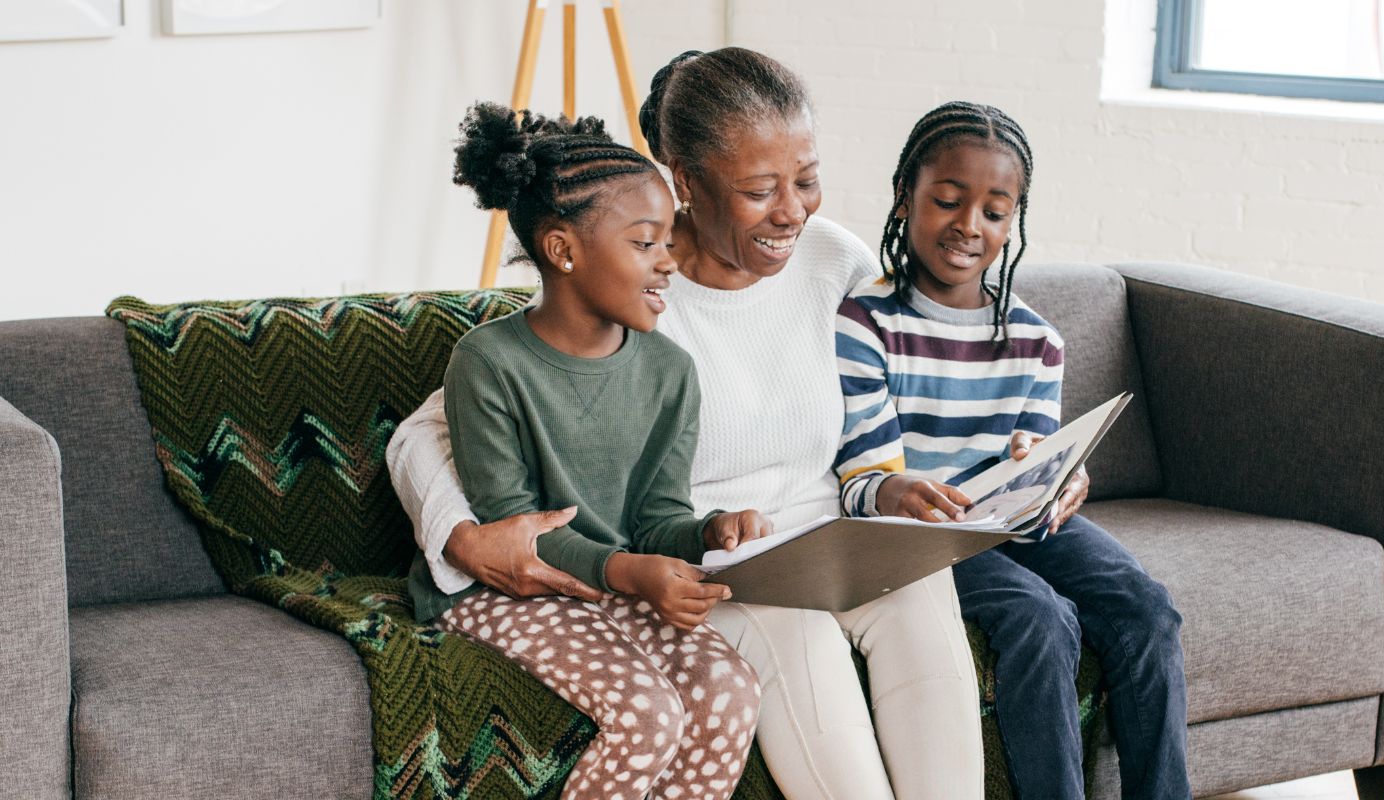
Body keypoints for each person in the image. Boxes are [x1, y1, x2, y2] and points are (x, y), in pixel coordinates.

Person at [387, 49, 984, 800]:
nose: (795, 211)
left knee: (925, 601)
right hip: (730, 567)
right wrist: (464, 537)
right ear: (686, 182)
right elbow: (428, 430)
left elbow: (905, 394)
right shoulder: (629, 286)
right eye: (761, 190)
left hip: (841, 536)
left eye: (806, 180)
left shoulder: (834, 259)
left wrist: (1007, 462)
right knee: (799, 647)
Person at [833, 101, 1190, 800]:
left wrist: (1057, 474)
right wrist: (893, 490)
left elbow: (1036, 470)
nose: (969, 226)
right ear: (905, 197)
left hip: (1011, 524)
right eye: (947, 200)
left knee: (1147, 608)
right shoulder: (865, 323)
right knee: (1039, 615)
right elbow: (859, 477)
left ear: (1013, 221)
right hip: (920, 536)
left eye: (995, 212)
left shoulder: (1036, 340)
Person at [419, 103, 770, 800]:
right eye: (646, 244)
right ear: (563, 250)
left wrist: (707, 532)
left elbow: (658, 518)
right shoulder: (488, 363)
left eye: (669, 241)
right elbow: (516, 531)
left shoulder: (671, 373)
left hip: (611, 582)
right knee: (647, 715)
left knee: (730, 689)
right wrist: (629, 572)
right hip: (510, 590)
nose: (669, 263)